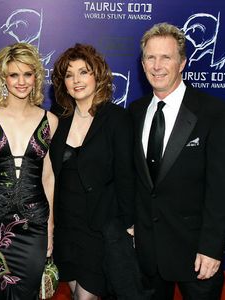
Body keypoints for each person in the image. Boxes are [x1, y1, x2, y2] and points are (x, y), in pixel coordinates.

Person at [128, 22, 225, 299]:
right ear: (142, 64)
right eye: (150, 57)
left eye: (166, 57)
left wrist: (212, 248)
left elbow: (222, 188)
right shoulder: (134, 112)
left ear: (182, 63)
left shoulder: (214, 112)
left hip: (196, 254)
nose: (157, 65)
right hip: (147, 255)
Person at [50, 44, 147, 299]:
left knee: (85, 297)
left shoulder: (117, 118)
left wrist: (128, 225)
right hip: (65, 228)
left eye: (83, 72)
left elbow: (126, 174)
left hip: (99, 228)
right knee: (74, 294)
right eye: (69, 75)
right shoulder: (57, 119)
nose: (76, 80)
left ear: (98, 75)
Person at [0, 42, 58, 299]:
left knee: (28, 292)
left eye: (28, 74)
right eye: (14, 74)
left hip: (33, 225)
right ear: (3, 77)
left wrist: (50, 229)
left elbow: (48, 177)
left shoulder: (50, 121)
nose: (21, 81)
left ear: (36, 77)